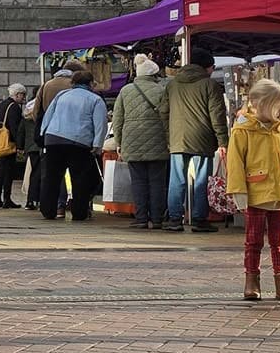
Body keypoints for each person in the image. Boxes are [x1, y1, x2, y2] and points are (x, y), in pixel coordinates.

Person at [227, 78, 280, 302]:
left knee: (279, 240)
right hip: (256, 194)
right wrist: (238, 192)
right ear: (259, 104)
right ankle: (252, 280)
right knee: (253, 241)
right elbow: (235, 164)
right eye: (277, 107)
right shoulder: (242, 131)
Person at [165, 47, 228, 233]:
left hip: (177, 138)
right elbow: (217, 115)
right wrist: (223, 140)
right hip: (202, 138)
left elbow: (163, 111)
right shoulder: (209, 85)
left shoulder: (172, 84)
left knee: (176, 180)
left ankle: (175, 219)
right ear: (207, 67)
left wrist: (169, 134)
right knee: (201, 180)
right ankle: (200, 219)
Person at [37, 67, 107, 221]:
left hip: (53, 138)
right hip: (79, 141)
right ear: (90, 83)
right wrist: (97, 145)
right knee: (80, 178)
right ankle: (79, 212)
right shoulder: (94, 99)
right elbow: (100, 124)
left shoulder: (62, 95)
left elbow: (48, 115)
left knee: (52, 177)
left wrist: (44, 134)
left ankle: (48, 210)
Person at [110, 54, 169, 230]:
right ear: (154, 75)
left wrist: (119, 142)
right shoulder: (162, 90)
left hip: (132, 141)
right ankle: (157, 218)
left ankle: (141, 218)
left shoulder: (125, 90)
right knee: (157, 182)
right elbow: (167, 116)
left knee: (138, 181)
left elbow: (118, 119)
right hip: (158, 141)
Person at [23, 62, 79, 209]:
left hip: (51, 134)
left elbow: (36, 111)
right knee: (76, 171)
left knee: (53, 173)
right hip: (74, 134)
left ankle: (55, 206)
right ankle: (76, 205)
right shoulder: (73, 86)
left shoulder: (46, 85)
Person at [0, 84, 27, 209]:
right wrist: (19, 144)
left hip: (0, 143)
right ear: (17, 94)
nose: (24, 98)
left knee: (1, 171)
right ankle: (6, 199)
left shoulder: (3, 104)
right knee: (8, 172)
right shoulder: (14, 107)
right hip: (9, 143)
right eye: (23, 94)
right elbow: (14, 127)